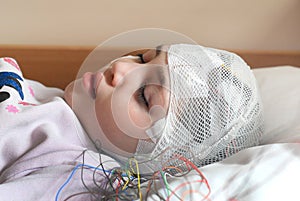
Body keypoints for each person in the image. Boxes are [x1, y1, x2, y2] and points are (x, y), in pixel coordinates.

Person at [0, 44, 263, 200]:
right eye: (141, 57)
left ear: (160, 157)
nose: (121, 68)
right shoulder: (56, 102)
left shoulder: (76, 173)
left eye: (144, 97)